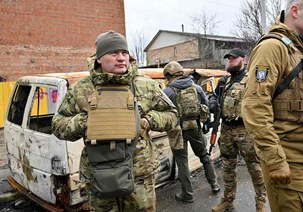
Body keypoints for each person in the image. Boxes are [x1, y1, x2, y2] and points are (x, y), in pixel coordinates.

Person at [52, 30, 183, 211]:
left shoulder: (145, 85)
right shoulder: (81, 89)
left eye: (124, 53)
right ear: (99, 58)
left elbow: (172, 114)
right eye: (114, 53)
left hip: (139, 174)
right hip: (99, 174)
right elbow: (58, 125)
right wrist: (88, 121)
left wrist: (147, 121)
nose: (121, 58)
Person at [242, 0, 303, 211]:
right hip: (286, 158)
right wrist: (274, 159)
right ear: (295, 10)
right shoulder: (272, 48)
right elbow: (255, 106)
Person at [210, 48, 267, 212]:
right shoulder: (224, 81)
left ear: (244, 59)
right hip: (226, 129)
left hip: (245, 130)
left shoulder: (253, 79)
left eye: (234, 59)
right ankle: (228, 201)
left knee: (255, 168)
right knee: (227, 167)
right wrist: (213, 102)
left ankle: (260, 204)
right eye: (228, 59)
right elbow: (214, 96)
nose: (230, 61)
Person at [162, 61, 221, 203]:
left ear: (169, 75)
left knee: (182, 162)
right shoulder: (196, 87)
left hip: (177, 130)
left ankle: (187, 194)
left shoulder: (167, 91)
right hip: (195, 127)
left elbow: (163, 113)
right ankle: (215, 185)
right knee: (204, 156)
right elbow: (205, 106)